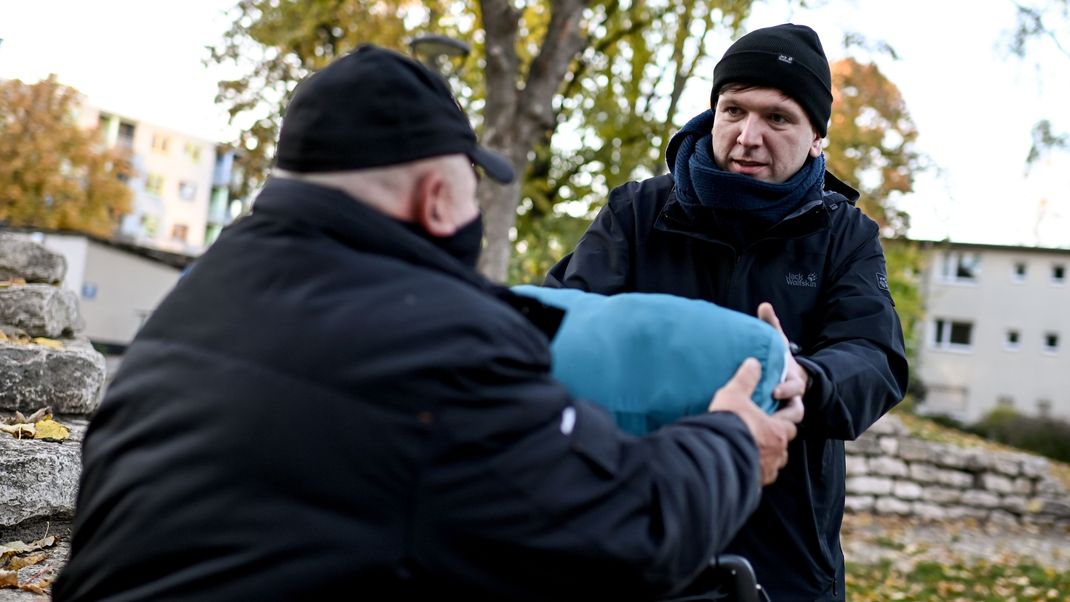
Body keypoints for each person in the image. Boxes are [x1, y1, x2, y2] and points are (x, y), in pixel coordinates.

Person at [53, 45, 803, 601]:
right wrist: (735, 440)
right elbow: (628, 534)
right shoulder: (441, 350)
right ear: (439, 200)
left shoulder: (199, 298)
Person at [546, 23, 909, 601]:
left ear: (818, 136)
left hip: (786, 560)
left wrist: (806, 379)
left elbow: (875, 355)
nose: (746, 136)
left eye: (778, 118)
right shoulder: (636, 213)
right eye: (733, 110)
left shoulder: (846, 236)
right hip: (637, 537)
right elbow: (563, 327)